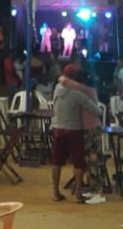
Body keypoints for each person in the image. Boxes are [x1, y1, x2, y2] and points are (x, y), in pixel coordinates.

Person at [50, 64, 103, 204]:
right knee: (78, 163)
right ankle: (78, 194)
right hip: (73, 129)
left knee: (57, 161)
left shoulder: (57, 89)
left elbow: (61, 80)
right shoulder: (78, 94)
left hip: (57, 127)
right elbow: (97, 110)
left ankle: (55, 193)